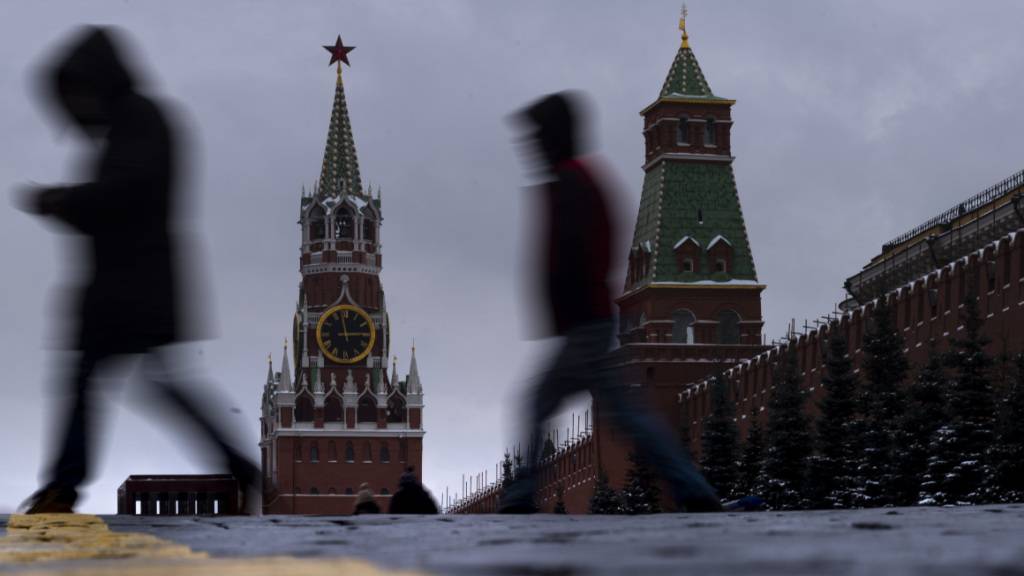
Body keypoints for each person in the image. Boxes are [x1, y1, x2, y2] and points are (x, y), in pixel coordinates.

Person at [14, 26, 258, 514]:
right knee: (143, 380)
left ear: (96, 80)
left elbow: (127, 195)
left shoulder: (138, 120)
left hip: (134, 282)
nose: (76, 109)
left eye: (77, 93)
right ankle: (240, 467)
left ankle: (64, 486)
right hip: (126, 283)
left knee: (106, 379)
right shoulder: (131, 123)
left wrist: (62, 200)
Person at [499, 92, 722, 514]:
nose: (529, 145)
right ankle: (691, 486)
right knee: (628, 414)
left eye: (536, 136)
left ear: (553, 136)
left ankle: (520, 494)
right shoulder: (579, 178)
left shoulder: (571, 182)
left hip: (584, 322)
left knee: (540, 402)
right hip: (591, 320)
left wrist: (566, 305)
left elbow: (571, 254)